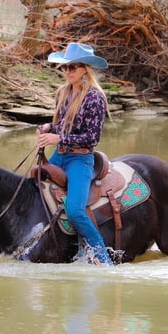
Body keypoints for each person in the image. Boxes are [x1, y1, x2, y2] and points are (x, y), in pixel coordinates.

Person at [36, 42, 113, 266]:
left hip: (80, 159)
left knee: (76, 210)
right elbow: (61, 126)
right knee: (32, 186)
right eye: (65, 68)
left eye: (73, 67)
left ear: (85, 69)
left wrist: (59, 138)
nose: (68, 72)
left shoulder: (94, 98)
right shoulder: (63, 93)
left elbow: (92, 138)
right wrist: (49, 128)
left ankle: (102, 257)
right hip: (60, 155)